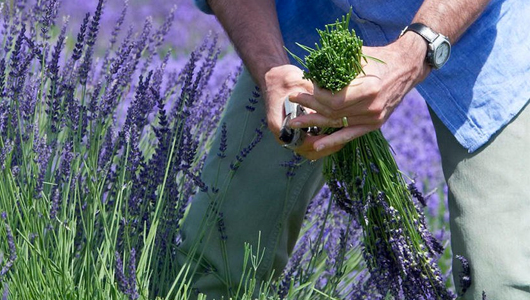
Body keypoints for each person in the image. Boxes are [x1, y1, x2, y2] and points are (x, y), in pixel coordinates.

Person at [177, 0, 530, 299]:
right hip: (309, 21)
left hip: (473, 30)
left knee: (500, 279)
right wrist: (270, 69)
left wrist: (415, 50)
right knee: (218, 256)